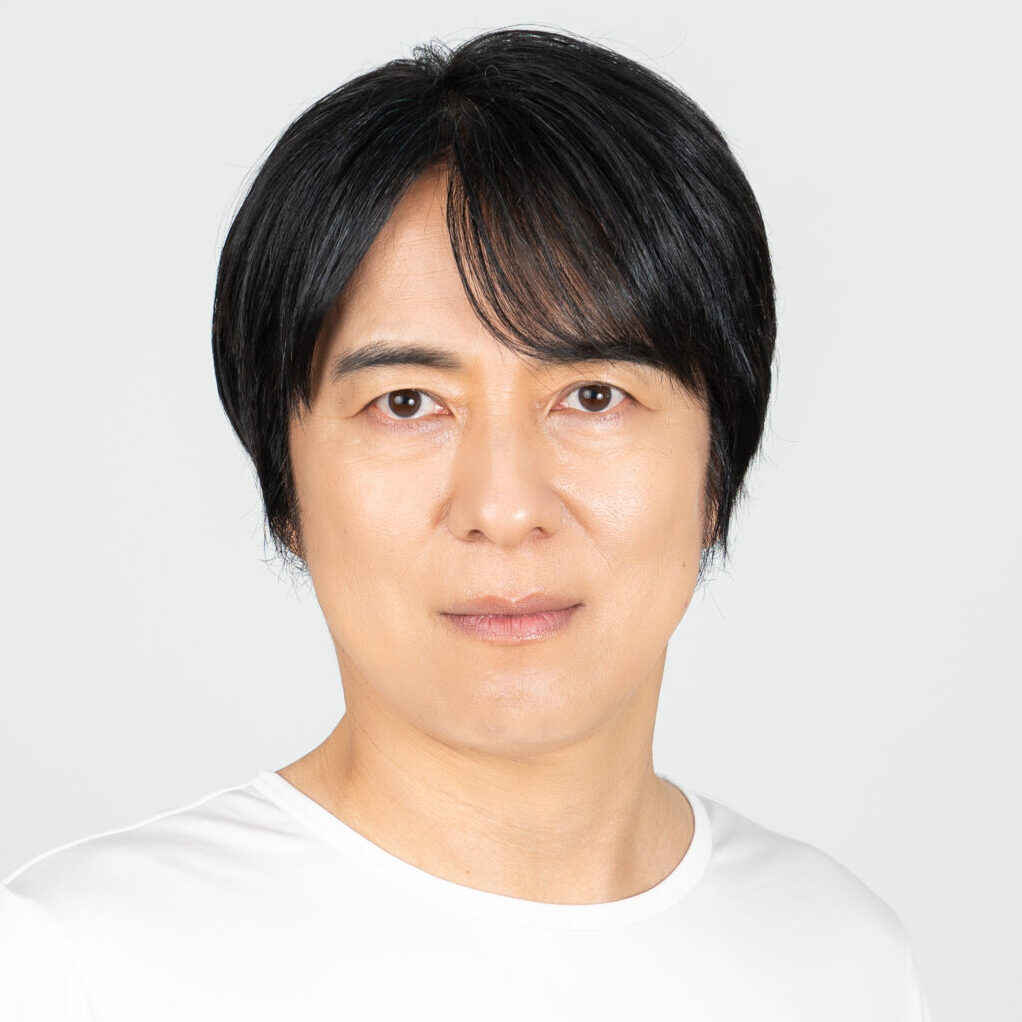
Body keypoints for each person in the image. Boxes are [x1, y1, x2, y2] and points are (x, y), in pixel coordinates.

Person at [0, 27, 932, 1020]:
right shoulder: (81, 962)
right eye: (407, 403)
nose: (504, 508)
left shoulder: (842, 960)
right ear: (287, 485)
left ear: (717, 466)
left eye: (593, 395)